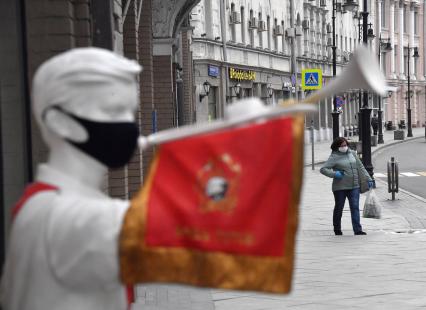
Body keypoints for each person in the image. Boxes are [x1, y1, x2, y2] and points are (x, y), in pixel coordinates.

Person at [1, 48, 142, 310]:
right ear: (59, 121)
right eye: (113, 111)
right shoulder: (73, 218)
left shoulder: (45, 204)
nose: (128, 124)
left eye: (129, 112)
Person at [320, 137, 374, 236]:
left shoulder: (352, 153)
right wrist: (335, 174)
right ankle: (337, 229)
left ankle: (357, 230)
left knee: (355, 207)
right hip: (340, 187)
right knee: (339, 208)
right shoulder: (334, 157)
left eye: (345, 145)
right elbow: (323, 169)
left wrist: (368, 178)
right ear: (337, 147)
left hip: (355, 186)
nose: (344, 147)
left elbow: (360, 167)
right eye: (342, 146)